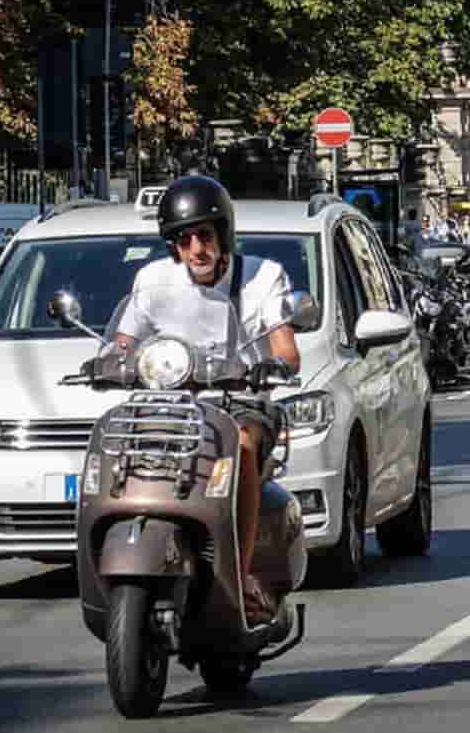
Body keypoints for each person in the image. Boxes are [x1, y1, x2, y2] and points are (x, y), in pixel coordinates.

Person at [107, 175, 300, 624]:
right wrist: (108, 361)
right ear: (172, 245)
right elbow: (122, 341)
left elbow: (286, 346)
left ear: (223, 234)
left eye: (205, 235)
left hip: (243, 402)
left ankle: (243, 569)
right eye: (184, 239)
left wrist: (276, 363)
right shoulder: (152, 280)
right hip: (173, 407)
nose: (196, 248)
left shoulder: (262, 276)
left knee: (244, 448)